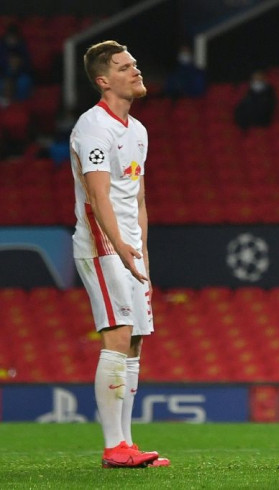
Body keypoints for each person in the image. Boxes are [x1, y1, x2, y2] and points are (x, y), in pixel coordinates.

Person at [70, 40, 169, 468]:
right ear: (103, 80)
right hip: (102, 244)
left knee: (135, 342)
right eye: (125, 67)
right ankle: (113, 447)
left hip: (129, 247)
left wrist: (142, 249)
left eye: (136, 64)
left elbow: (139, 197)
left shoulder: (138, 130)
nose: (136, 71)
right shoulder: (93, 127)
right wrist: (120, 248)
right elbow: (98, 196)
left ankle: (127, 443)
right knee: (116, 335)